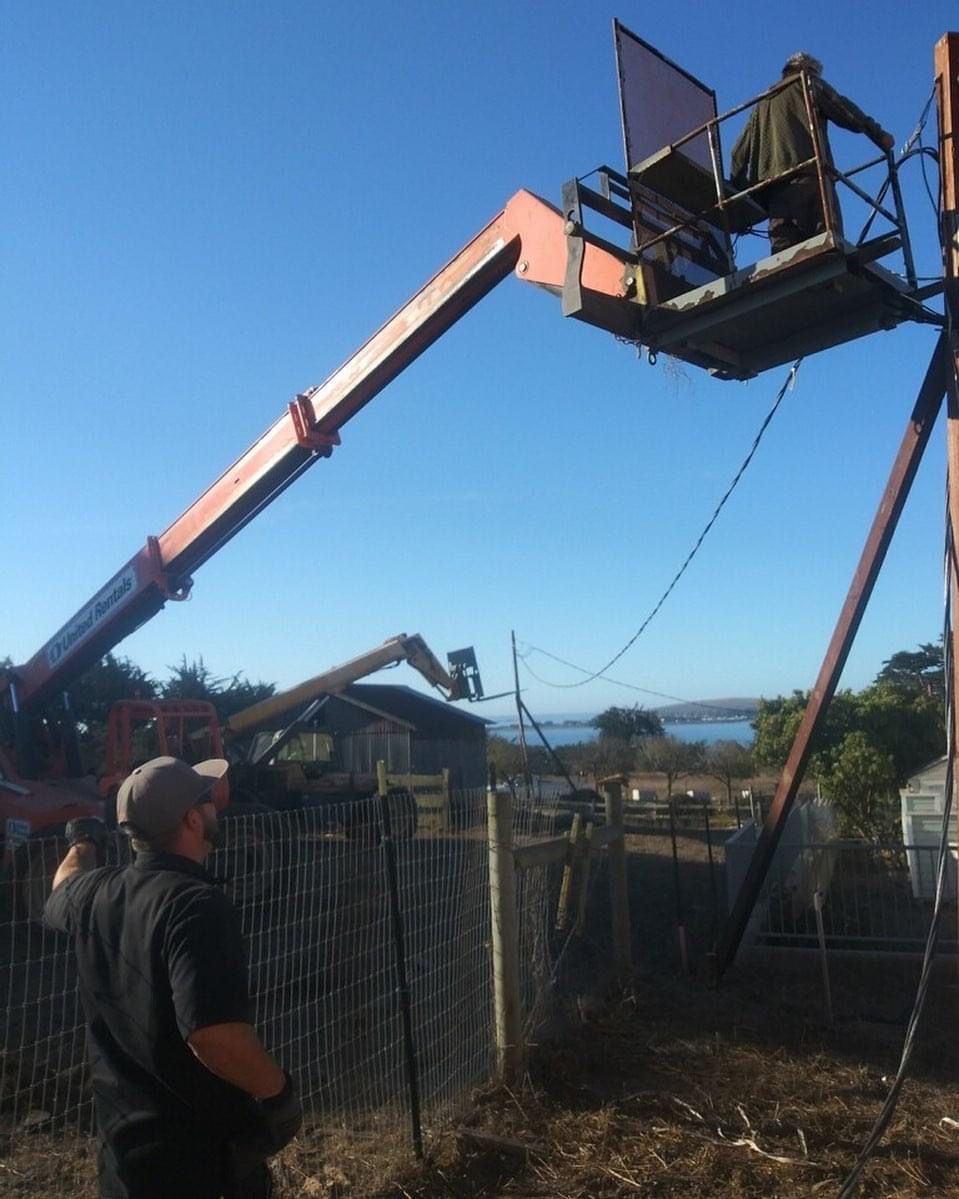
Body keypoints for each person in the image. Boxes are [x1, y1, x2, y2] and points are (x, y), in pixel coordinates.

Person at [45, 756, 302, 1199]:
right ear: (191, 820)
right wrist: (278, 1094)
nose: (214, 807)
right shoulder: (196, 906)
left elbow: (62, 885)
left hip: (124, 1161)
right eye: (207, 801)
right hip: (200, 1165)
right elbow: (212, 1036)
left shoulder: (96, 893)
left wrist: (83, 840)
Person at [730, 51, 894, 253]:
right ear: (808, 70)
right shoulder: (806, 83)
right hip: (811, 182)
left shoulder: (761, 105)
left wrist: (741, 202)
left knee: (785, 263)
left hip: (775, 198)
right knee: (830, 252)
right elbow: (845, 110)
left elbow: (737, 154)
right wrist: (879, 134)